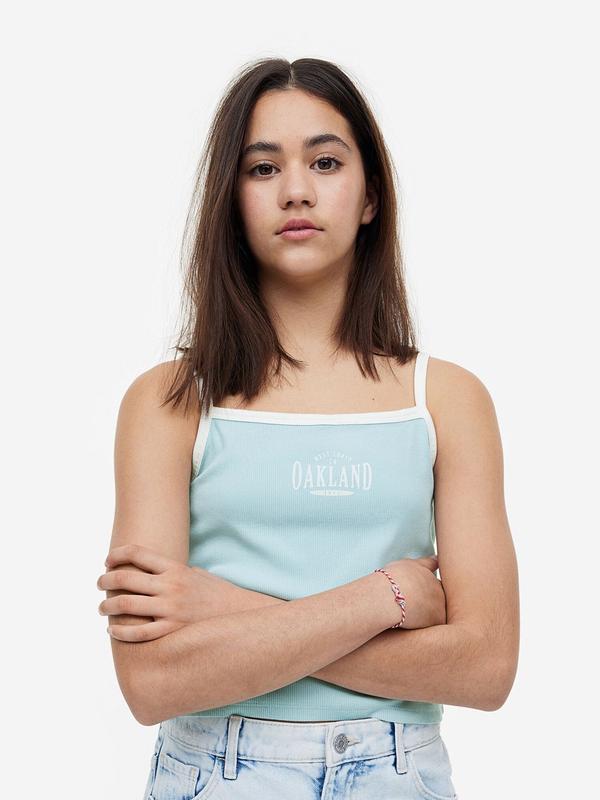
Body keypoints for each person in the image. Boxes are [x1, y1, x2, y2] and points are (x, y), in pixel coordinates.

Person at [97, 57, 519, 799]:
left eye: (325, 162)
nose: (296, 190)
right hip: (216, 773)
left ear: (370, 196)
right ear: (231, 199)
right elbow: (152, 684)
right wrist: (383, 599)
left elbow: (486, 670)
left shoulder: (446, 400)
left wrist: (229, 609)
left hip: (396, 775)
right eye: (263, 169)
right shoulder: (169, 402)